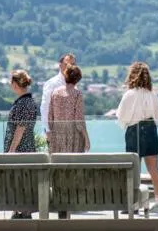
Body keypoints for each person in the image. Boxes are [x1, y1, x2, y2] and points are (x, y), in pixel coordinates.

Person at [116, 62, 158, 200]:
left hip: (134, 131)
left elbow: (121, 116)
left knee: (133, 170)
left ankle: (133, 204)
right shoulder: (152, 94)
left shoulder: (129, 94)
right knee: (154, 170)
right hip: (150, 130)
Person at [47, 64, 89, 219]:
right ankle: (69, 204)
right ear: (77, 79)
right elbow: (79, 119)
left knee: (58, 170)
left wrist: (52, 133)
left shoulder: (55, 93)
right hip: (73, 135)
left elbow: (50, 118)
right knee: (72, 170)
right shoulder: (77, 94)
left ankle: (60, 205)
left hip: (57, 135)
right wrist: (86, 137)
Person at [4, 69, 39, 219]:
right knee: (25, 178)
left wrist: (11, 151)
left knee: (18, 179)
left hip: (20, 148)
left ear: (15, 84)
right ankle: (23, 210)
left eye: (11, 82)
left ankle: (22, 210)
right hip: (28, 145)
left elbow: (20, 128)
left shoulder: (23, 103)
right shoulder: (29, 101)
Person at [41, 53, 76, 136]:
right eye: (67, 64)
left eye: (73, 64)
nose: (70, 66)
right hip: (54, 132)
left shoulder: (74, 85)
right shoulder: (51, 83)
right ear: (60, 65)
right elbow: (45, 107)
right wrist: (48, 130)